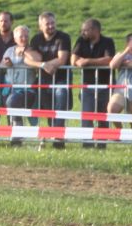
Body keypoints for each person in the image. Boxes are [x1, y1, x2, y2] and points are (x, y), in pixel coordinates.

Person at [29, 11, 72, 149]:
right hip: (43, 80)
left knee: (60, 97)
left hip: (61, 79)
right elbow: (29, 59)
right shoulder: (36, 39)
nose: (51, 26)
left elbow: (62, 59)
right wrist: (43, 65)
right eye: (47, 24)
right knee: (47, 109)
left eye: (53, 23)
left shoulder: (63, 37)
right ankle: (50, 134)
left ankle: (58, 137)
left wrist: (47, 64)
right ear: (40, 26)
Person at [71, 18, 115, 148]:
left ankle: (102, 146)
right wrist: (78, 62)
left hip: (105, 85)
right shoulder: (81, 41)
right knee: (87, 116)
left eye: (85, 30)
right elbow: (74, 59)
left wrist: (88, 62)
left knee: (103, 117)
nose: (82, 32)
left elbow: (109, 59)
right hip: (87, 85)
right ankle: (87, 145)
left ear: (95, 30)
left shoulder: (108, 42)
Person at [2, 25, 42, 139]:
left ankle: (18, 135)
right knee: (9, 105)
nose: (24, 38)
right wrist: (7, 63)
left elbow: (38, 61)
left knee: (12, 102)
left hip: (27, 89)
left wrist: (24, 51)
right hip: (8, 88)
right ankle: (13, 134)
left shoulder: (32, 50)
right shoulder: (9, 50)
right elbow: (1, 65)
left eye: (26, 36)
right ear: (15, 39)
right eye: (21, 36)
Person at [107, 34, 132, 116]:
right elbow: (113, 65)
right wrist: (126, 51)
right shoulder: (121, 54)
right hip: (121, 90)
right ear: (127, 43)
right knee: (112, 110)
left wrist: (126, 64)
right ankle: (119, 129)